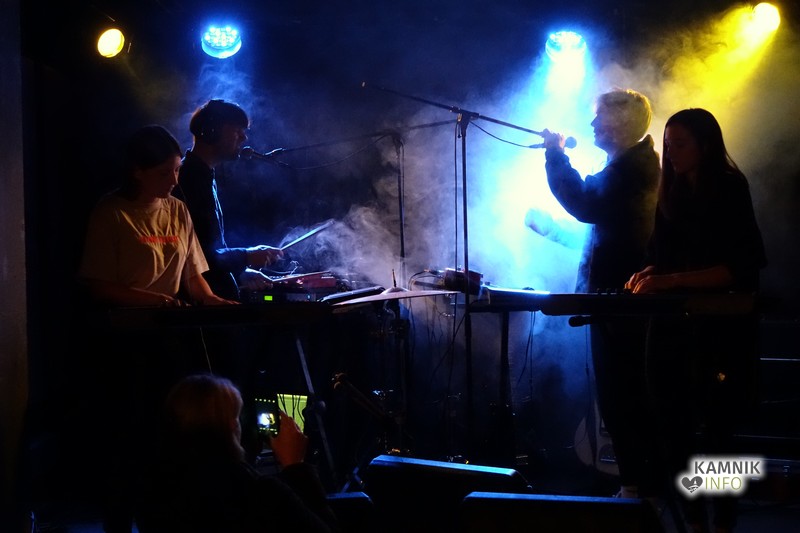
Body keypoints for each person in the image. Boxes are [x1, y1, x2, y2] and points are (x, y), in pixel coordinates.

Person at [77, 124, 238, 532]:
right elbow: (98, 285)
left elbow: (194, 276)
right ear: (137, 171)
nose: (174, 180)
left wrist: (214, 301)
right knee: (130, 436)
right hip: (124, 342)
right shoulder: (111, 212)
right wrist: (156, 301)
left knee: (173, 437)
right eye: (165, 173)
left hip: (170, 337)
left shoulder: (178, 210)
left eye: (177, 170)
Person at [626, 108, 767, 532]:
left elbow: (738, 268)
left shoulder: (728, 186)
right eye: (668, 144)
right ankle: (693, 519)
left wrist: (670, 280)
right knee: (672, 425)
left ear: (706, 145)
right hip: (673, 325)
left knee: (720, 429)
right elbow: (661, 256)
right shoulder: (671, 190)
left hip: (718, 328)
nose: (670, 153)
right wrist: (648, 273)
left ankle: (722, 519)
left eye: (680, 144)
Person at [531, 88, 662, 499]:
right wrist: (551, 230)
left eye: (599, 116)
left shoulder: (632, 167)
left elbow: (586, 204)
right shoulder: (625, 165)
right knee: (619, 396)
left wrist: (555, 155)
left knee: (624, 395)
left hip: (623, 302)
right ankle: (637, 486)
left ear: (621, 122)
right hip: (616, 298)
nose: (590, 125)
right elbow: (603, 234)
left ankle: (639, 489)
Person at [137, 373, 339, 533]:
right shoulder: (260, 494)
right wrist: (296, 466)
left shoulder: (155, 492)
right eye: (237, 415)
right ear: (232, 427)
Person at [174, 98, 283, 301]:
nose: (243, 137)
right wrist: (246, 256)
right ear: (212, 131)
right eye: (237, 130)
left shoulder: (204, 176)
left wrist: (240, 271)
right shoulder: (186, 179)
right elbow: (195, 255)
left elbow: (212, 253)